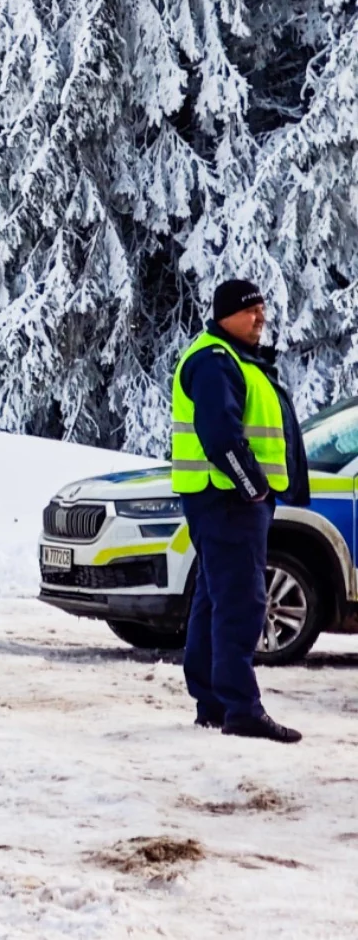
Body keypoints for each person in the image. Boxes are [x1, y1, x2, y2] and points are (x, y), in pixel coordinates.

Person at [170, 280, 309, 743]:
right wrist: (252, 487)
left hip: (226, 499)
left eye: (262, 310)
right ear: (225, 315)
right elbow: (220, 434)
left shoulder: (233, 359)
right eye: (250, 311)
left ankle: (213, 702)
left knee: (215, 599)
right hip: (228, 498)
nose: (260, 318)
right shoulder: (215, 362)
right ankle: (241, 709)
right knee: (241, 603)